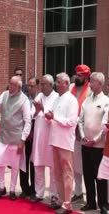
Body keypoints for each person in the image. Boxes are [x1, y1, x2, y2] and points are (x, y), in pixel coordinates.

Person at [46, 72, 78, 214]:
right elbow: (53, 119)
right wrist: (49, 117)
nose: (57, 84)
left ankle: (68, 204)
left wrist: (55, 117)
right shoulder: (57, 99)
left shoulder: (72, 100)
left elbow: (71, 122)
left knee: (67, 174)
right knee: (57, 173)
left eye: (59, 82)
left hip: (65, 142)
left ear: (66, 83)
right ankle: (60, 199)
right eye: (56, 82)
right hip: (55, 140)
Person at [78, 72, 109, 214]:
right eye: (90, 81)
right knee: (88, 174)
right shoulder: (86, 100)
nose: (90, 83)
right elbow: (80, 120)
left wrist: (95, 140)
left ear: (100, 84)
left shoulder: (106, 101)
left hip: (99, 146)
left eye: (93, 81)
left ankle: (103, 204)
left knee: (100, 176)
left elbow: (105, 125)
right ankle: (91, 202)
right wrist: (84, 137)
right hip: (85, 144)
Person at [30, 74, 59, 205]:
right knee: (38, 166)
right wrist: (36, 111)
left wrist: (42, 109)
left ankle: (54, 195)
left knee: (53, 169)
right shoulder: (39, 96)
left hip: (51, 138)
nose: (41, 86)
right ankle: (39, 193)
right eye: (40, 84)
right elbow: (32, 114)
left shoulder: (57, 98)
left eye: (43, 84)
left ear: (51, 85)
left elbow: (54, 116)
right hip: (39, 137)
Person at [69, 64, 91, 202]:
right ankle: (78, 192)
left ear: (86, 77)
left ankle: (90, 193)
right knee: (74, 164)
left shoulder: (89, 91)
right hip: (69, 131)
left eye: (80, 75)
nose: (77, 77)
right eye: (76, 74)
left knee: (84, 165)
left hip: (83, 133)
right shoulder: (71, 87)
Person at [19, 77, 39, 199]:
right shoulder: (24, 99)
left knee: (33, 163)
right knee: (23, 162)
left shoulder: (39, 99)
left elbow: (37, 118)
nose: (30, 88)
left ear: (37, 87)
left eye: (32, 86)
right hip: (24, 136)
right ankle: (24, 188)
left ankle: (33, 189)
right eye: (29, 86)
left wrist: (32, 132)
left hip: (34, 136)